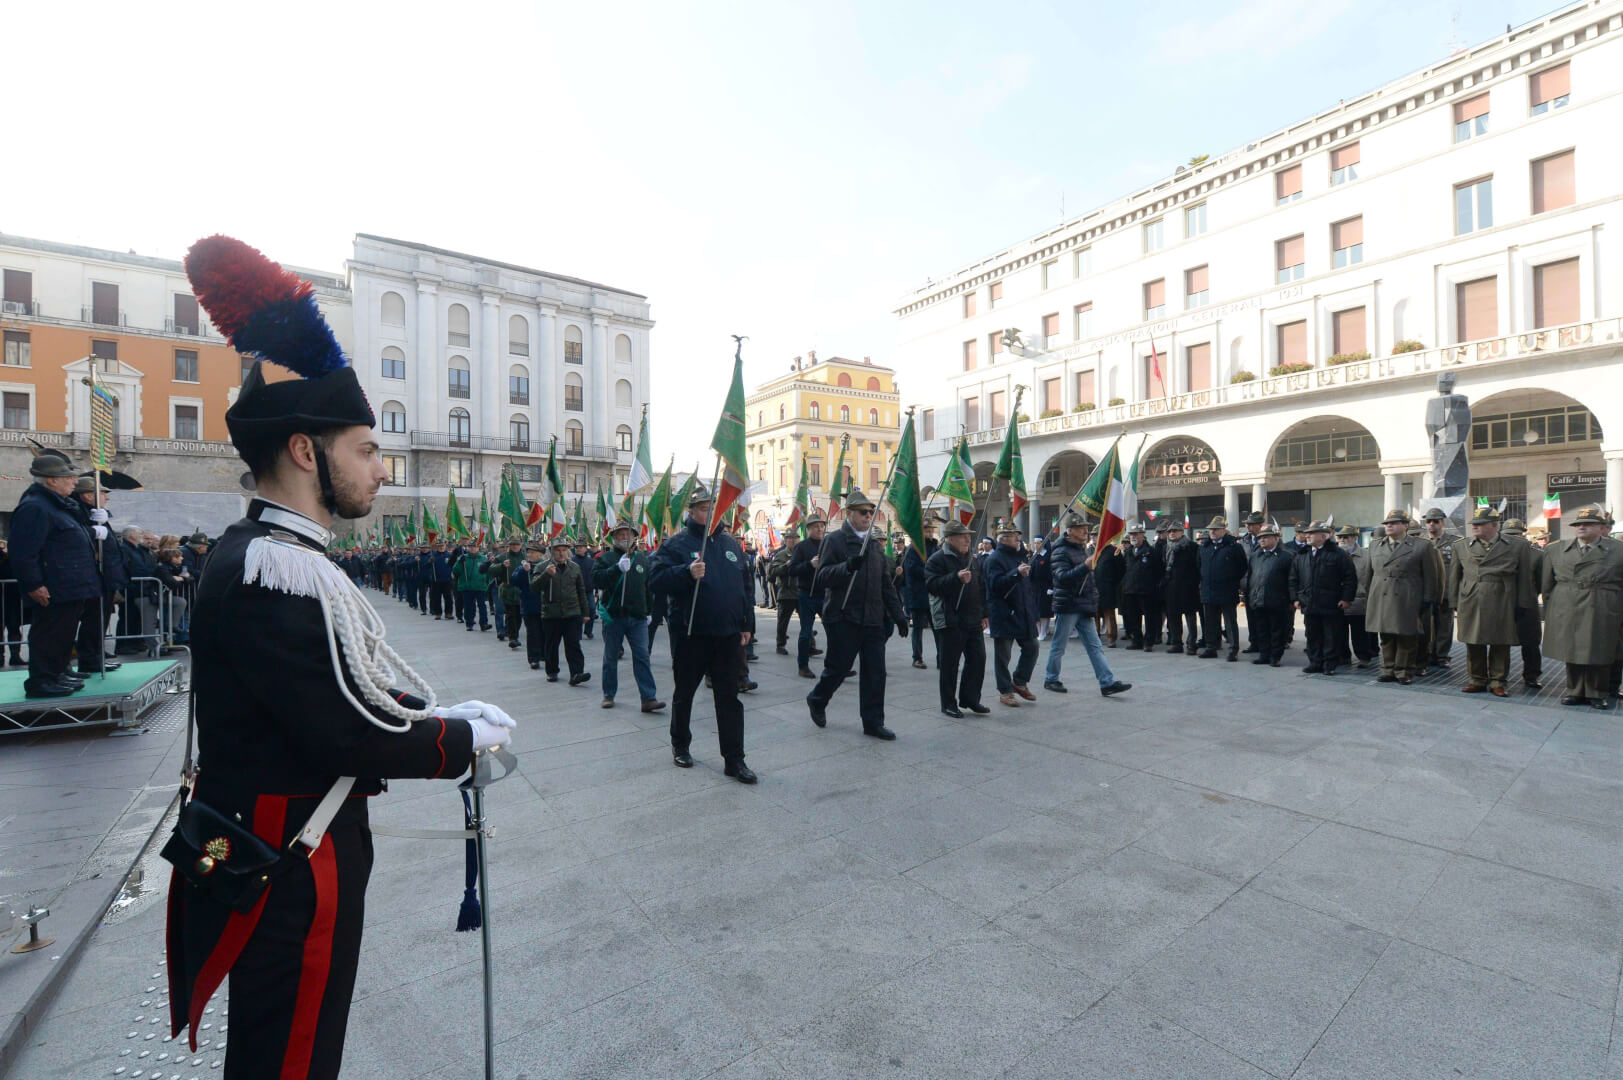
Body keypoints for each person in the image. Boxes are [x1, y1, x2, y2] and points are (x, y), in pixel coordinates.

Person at [166, 233, 514, 1080]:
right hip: (290, 863)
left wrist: (430, 715)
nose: (381, 470)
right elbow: (341, 732)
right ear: (303, 451)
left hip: (293, 844)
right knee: (290, 1057)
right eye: (365, 449)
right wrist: (458, 741)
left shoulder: (279, 556)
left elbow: (334, 693)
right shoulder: (270, 565)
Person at [648, 484, 756, 782]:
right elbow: (655, 579)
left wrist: (747, 623)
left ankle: (735, 760)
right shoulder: (676, 544)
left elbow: (746, 586)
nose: (710, 514)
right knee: (684, 694)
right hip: (691, 634)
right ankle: (680, 744)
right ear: (692, 512)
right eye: (705, 509)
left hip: (727, 635)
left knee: (729, 698)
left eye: (714, 508)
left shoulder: (730, 544)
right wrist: (685, 572)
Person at [806, 489, 905, 737]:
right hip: (843, 616)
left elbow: (885, 584)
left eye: (871, 512)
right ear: (850, 514)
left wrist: (898, 615)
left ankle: (873, 722)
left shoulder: (873, 545)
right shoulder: (835, 540)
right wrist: (847, 567)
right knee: (839, 668)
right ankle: (817, 699)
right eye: (863, 512)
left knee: (875, 672)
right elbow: (822, 577)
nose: (868, 516)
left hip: (872, 618)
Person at [9, 456, 102, 697]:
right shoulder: (35, 507)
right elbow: (23, 552)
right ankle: (42, 681)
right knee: (49, 634)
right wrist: (34, 584)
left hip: (69, 585)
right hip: (54, 586)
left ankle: (58, 672)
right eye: (68, 477)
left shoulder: (57, 506)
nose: (74, 481)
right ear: (51, 480)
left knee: (63, 634)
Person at [1540, 504, 1622, 709]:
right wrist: (1552, 609)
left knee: (1599, 649)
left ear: (1601, 527)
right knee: (1572, 649)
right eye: (1578, 524)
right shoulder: (1556, 549)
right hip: (1568, 604)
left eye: (1588, 524)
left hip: (1602, 605)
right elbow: (1547, 585)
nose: (1582, 527)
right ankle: (1575, 690)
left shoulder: (1617, 550)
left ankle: (1597, 693)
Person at [1448, 507, 1535, 697]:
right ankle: (1476, 679)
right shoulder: (1461, 546)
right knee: (1473, 640)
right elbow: (1455, 575)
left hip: (1502, 597)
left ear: (1495, 525)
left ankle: (1498, 681)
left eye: (1480, 524)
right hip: (1472, 597)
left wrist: (1523, 603)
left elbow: (1524, 577)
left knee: (1501, 641)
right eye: (1474, 524)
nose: (1475, 527)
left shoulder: (1518, 545)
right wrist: (1453, 601)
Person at [1042, 515, 1131, 697]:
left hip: (1083, 604)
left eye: (1086, 527)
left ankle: (1107, 682)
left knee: (1095, 646)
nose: (1086, 531)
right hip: (1068, 604)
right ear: (1070, 531)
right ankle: (1051, 678)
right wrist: (1085, 566)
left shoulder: (1080, 549)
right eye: (1080, 528)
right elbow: (1062, 577)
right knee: (1059, 645)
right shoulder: (1060, 551)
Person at [1360, 509, 1442, 685]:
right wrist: (1369, 596)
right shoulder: (1375, 545)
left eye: (1394, 523)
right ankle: (1388, 669)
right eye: (1387, 523)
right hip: (1382, 595)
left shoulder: (1422, 546)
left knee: (1407, 637)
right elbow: (1369, 575)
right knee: (1386, 636)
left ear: (1405, 526)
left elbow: (1431, 576)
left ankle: (1404, 671)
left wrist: (1428, 599)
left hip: (1407, 596)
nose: (1389, 526)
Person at [593, 521, 665, 712]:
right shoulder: (606, 558)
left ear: (634, 537)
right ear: (614, 538)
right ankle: (608, 694)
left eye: (628, 534)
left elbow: (647, 587)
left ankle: (648, 697)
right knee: (611, 658)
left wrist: (649, 611)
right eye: (620, 534)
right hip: (614, 616)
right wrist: (616, 569)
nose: (625, 537)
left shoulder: (642, 559)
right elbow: (596, 580)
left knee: (642, 656)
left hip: (638, 618)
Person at [925, 520, 989, 717]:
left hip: (973, 618)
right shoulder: (937, 559)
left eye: (969, 536)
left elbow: (980, 587)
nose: (968, 540)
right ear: (950, 538)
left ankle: (970, 698)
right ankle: (948, 703)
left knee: (978, 659)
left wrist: (984, 613)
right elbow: (932, 585)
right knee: (950, 665)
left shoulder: (972, 558)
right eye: (963, 536)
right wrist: (955, 578)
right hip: (950, 619)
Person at [1289, 521, 1357, 676]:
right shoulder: (1302, 554)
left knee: (1330, 636)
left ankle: (1329, 664)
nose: (1307, 536)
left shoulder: (1338, 554)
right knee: (1312, 635)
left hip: (1331, 603)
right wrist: (1295, 598)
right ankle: (1315, 662)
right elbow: (1293, 578)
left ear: (1323, 536)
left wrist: (1346, 598)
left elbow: (1350, 578)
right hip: (1309, 602)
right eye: (1307, 533)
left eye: (1311, 533)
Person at [983, 522, 1039, 707]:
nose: (1018, 539)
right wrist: (1016, 573)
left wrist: (1033, 612)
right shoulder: (994, 559)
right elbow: (995, 585)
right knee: (1003, 655)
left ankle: (1020, 681)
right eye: (1014, 536)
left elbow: (1027, 589)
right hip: (1004, 613)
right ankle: (1005, 690)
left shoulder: (1021, 556)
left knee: (1032, 646)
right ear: (1003, 538)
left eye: (1017, 535)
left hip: (1023, 612)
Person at [534, 537, 589, 685]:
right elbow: (534, 587)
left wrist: (586, 612)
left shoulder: (575, 567)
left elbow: (581, 590)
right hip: (552, 614)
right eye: (557, 550)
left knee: (573, 644)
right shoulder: (542, 567)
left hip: (572, 613)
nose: (561, 553)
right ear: (551, 552)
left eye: (564, 550)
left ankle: (576, 673)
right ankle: (552, 671)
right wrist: (546, 574)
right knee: (552, 645)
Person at [1500, 519, 1544, 689]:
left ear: (1524, 534)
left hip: (1527, 605)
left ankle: (1532, 675)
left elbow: (1540, 582)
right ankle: (1499, 676)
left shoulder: (1536, 555)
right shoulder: (1498, 552)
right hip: (1502, 603)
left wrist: (1529, 595)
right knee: (1500, 642)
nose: (1513, 538)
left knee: (1531, 643)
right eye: (1509, 535)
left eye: (1517, 534)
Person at [1197, 516, 1247, 660]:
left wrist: (1231, 580)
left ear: (1223, 530)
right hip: (1208, 590)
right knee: (1210, 621)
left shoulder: (1234, 546)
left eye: (1215, 529)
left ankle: (1233, 649)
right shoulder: (1204, 547)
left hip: (1227, 590)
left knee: (1230, 622)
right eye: (1210, 529)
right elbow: (1199, 566)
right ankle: (1211, 647)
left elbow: (1242, 567)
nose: (1212, 532)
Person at [1244, 522, 1294, 666]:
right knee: (1261, 630)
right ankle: (1264, 655)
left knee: (1276, 631)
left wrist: (1292, 600)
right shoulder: (1255, 556)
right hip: (1257, 600)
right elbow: (1251, 577)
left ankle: (1275, 657)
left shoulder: (1286, 557)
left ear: (1276, 538)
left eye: (1266, 537)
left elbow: (1292, 580)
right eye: (1260, 537)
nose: (1262, 540)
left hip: (1277, 601)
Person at [789, 513, 830, 678]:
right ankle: (803, 666)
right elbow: (792, 570)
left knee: (834, 632)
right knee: (806, 633)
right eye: (815, 526)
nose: (820, 529)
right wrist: (810, 564)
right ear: (808, 529)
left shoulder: (829, 544)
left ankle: (836, 665)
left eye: (821, 526)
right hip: (807, 595)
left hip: (826, 595)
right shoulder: (801, 547)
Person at [1420, 508, 1459, 667]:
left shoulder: (1455, 542)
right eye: (1428, 521)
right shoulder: (1420, 542)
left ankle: (1442, 656)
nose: (1431, 524)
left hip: (1446, 591)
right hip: (1426, 591)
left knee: (1445, 626)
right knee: (1425, 625)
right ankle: (1427, 654)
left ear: (1442, 522)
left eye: (1435, 521)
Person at [1336, 525, 1379, 668]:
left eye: (1346, 537)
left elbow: (1372, 577)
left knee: (1360, 633)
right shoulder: (1334, 555)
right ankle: (1343, 657)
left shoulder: (1366, 556)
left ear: (1355, 538)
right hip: (1338, 601)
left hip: (1359, 601)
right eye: (1340, 537)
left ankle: (1364, 657)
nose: (1342, 540)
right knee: (1339, 633)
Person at [1119, 523, 1162, 650]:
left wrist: (1154, 585)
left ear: (1143, 535)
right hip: (1131, 590)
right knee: (1133, 617)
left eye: (1136, 534)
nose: (1133, 537)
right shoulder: (1128, 552)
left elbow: (1158, 570)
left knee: (1149, 617)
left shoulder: (1151, 551)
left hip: (1147, 591)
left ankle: (1149, 642)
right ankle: (1137, 641)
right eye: (1131, 534)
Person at [1160, 523, 1200, 654]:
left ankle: (1191, 644)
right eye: (1170, 531)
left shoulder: (1192, 547)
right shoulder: (1166, 547)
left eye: (1175, 531)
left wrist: (1195, 583)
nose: (1172, 533)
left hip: (1188, 587)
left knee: (1190, 617)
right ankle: (1176, 643)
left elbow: (1198, 566)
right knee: (1173, 616)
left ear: (1182, 532)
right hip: (1171, 587)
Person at [903, 520, 938, 668]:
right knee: (917, 629)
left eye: (931, 530)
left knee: (937, 628)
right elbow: (912, 569)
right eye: (927, 530)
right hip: (918, 594)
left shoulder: (936, 547)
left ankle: (942, 658)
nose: (930, 533)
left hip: (933, 593)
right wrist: (931, 572)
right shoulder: (913, 548)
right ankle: (917, 657)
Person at [513, 540, 547, 669]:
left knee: (545, 631)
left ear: (540, 554)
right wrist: (523, 571)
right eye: (528, 552)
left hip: (545, 605)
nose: (529, 555)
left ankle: (544, 653)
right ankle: (534, 658)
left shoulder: (546, 566)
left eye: (532, 552)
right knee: (533, 633)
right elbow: (514, 580)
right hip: (529, 605)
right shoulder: (523, 567)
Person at [451, 541, 491, 632]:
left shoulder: (483, 558)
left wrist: (487, 583)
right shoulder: (463, 558)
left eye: (475, 546)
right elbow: (456, 571)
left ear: (478, 548)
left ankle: (484, 623)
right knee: (468, 606)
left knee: (482, 606)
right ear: (468, 548)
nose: (473, 548)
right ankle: (469, 623)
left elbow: (488, 572)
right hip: (467, 587)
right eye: (471, 546)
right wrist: (459, 563)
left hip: (480, 586)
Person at [768, 537, 797, 654]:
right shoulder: (781, 554)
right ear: (786, 541)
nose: (793, 541)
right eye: (790, 539)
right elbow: (772, 571)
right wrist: (785, 566)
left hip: (801, 591)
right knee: (783, 622)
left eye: (795, 539)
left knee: (807, 621)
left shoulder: (801, 553)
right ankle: (780, 645)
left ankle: (810, 645)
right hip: (786, 592)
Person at [1093, 535, 1123, 646]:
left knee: (1109, 613)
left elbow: (1120, 570)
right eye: (1093, 536)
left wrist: (1114, 584)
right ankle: (1094, 636)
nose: (1094, 538)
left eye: (1096, 536)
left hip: (1108, 587)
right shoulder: (1092, 551)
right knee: (1095, 614)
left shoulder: (1114, 551)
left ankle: (1111, 637)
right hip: (1094, 587)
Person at [425, 539, 454, 619]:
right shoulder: (432, 556)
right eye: (439, 546)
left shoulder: (449, 555)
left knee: (448, 598)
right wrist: (429, 562)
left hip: (447, 580)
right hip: (436, 580)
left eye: (442, 546)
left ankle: (448, 613)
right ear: (436, 547)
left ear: (445, 546)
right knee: (436, 598)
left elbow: (454, 566)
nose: (441, 547)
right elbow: (426, 567)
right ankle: (438, 613)